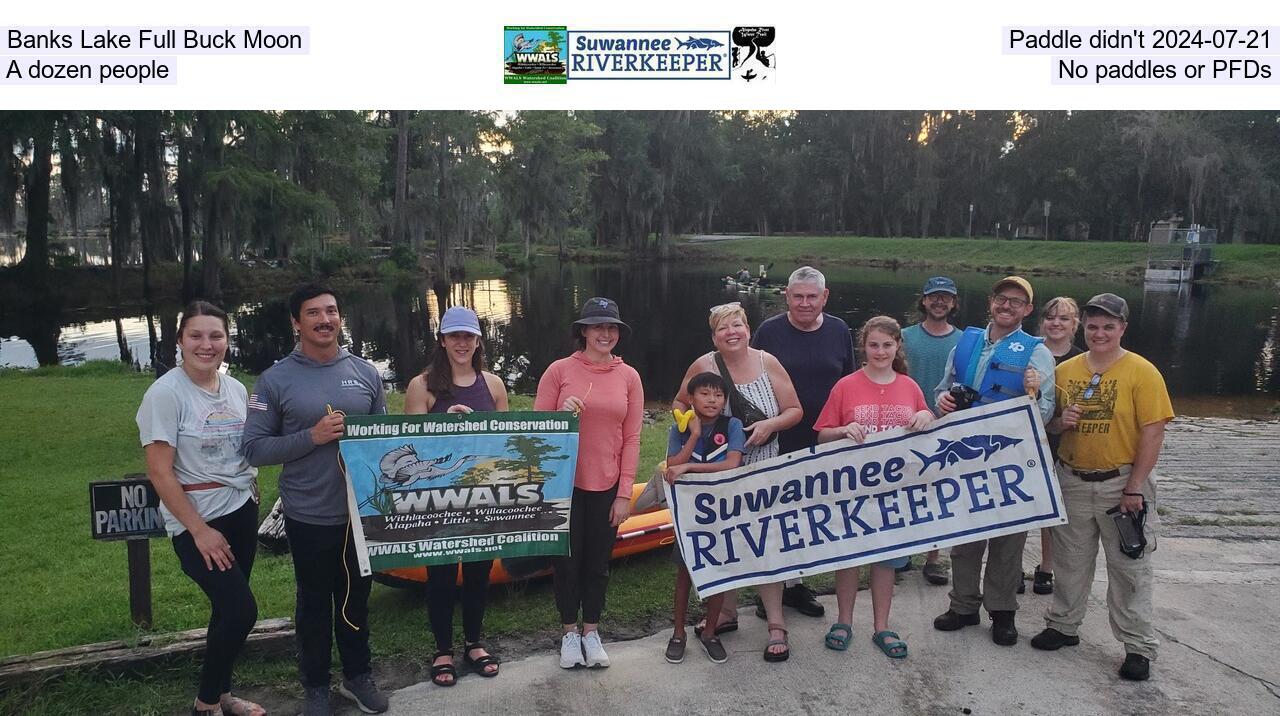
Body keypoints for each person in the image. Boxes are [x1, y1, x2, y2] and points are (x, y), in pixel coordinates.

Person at [241, 284, 389, 716]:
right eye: (313, 313)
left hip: (359, 512)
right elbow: (254, 448)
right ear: (296, 322)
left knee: (356, 597)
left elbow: (381, 438)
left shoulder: (366, 373)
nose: (325, 320)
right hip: (308, 513)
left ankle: (357, 676)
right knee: (313, 601)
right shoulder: (274, 379)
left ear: (340, 317)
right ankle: (316, 685)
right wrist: (313, 436)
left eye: (332, 311)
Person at [1032, 293, 1173, 682]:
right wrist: (1063, 422)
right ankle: (1063, 624)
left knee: (1130, 567)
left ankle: (1137, 646)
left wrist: (1135, 487)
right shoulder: (1066, 371)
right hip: (1073, 477)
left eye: (1108, 326)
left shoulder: (1142, 372)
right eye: (1093, 326)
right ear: (1084, 328)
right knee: (1069, 562)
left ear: (1122, 328)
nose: (1099, 333)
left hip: (1121, 482)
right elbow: (1048, 422)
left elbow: (1153, 432)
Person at [137, 301, 264, 716]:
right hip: (198, 518)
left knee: (226, 610)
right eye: (196, 335)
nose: (206, 345)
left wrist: (252, 486)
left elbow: (239, 448)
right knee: (242, 609)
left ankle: (224, 695)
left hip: (240, 509)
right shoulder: (165, 394)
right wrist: (199, 530)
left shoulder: (234, 389)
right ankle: (205, 704)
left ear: (227, 341)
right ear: (180, 340)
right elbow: (160, 472)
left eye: (216, 336)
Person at [672, 302, 803, 662]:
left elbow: (794, 409)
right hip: (719, 471)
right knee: (723, 540)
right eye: (723, 328)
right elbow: (678, 405)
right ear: (714, 336)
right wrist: (695, 429)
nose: (732, 333)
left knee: (767, 543)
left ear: (748, 329)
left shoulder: (767, 362)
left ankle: (776, 624)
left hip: (763, 465)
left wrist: (770, 425)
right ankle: (725, 612)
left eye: (738, 325)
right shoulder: (704, 366)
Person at [931, 276, 1055, 647]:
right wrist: (942, 402)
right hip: (967, 454)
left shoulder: (1038, 353)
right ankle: (963, 605)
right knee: (966, 535)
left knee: (1008, 538)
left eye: (1017, 302)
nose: (1007, 306)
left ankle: (1003, 611)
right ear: (991, 302)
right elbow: (941, 389)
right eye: (1002, 299)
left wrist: (1033, 398)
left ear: (1027, 310)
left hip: (1010, 460)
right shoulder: (964, 343)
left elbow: (1045, 411)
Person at [813, 316, 934, 660]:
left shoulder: (909, 386)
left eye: (887, 345)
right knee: (849, 556)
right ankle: (844, 620)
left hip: (895, 493)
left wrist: (927, 417)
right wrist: (842, 430)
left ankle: (882, 625)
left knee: (886, 560)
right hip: (851, 489)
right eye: (873, 344)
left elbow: (928, 423)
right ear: (863, 347)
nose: (880, 351)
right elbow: (823, 433)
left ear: (898, 347)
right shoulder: (846, 386)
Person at [534, 297, 643, 670]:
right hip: (564, 485)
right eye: (597, 326)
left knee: (597, 564)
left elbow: (632, 438)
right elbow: (536, 431)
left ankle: (592, 631)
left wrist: (625, 492)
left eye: (611, 327)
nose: (605, 333)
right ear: (583, 330)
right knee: (566, 562)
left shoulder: (629, 376)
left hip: (607, 485)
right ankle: (568, 633)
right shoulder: (559, 371)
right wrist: (560, 418)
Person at [404, 306, 509, 687]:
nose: (462, 343)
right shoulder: (423, 385)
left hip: (482, 496)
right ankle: (443, 649)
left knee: (480, 572)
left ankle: (474, 642)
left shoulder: (493, 384)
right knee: (442, 575)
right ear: (443, 340)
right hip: (438, 498)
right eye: (454, 336)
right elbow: (412, 447)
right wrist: (444, 425)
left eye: (469, 336)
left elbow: (504, 444)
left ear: (478, 340)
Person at [750, 265, 855, 618]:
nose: (805, 303)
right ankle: (771, 589)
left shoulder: (839, 330)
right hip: (777, 437)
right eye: (798, 296)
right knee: (774, 513)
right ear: (787, 297)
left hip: (824, 437)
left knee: (809, 514)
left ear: (825, 297)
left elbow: (848, 384)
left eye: (812, 296)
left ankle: (796, 585)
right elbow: (749, 379)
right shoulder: (769, 331)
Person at [661, 372, 745, 666]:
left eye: (718, 395)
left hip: (723, 510)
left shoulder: (732, 426)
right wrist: (694, 434)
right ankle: (679, 632)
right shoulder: (680, 429)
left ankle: (710, 632)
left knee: (719, 571)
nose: (712, 400)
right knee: (685, 574)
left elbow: (732, 464)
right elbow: (672, 466)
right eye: (705, 394)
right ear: (691, 399)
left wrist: (691, 469)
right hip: (690, 515)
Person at [900, 275, 964, 587]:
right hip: (906, 422)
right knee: (903, 487)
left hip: (946, 425)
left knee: (939, 493)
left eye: (946, 297)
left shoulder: (966, 341)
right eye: (933, 296)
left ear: (953, 303)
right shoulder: (904, 336)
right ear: (924, 300)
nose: (939, 302)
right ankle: (900, 550)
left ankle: (934, 557)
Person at [1030, 296, 1085, 596]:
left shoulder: (1081, 359)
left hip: (1064, 442)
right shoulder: (1028, 352)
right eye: (1051, 317)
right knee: (1023, 503)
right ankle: (1010, 567)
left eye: (1064, 318)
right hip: (1028, 437)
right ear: (1042, 321)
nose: (1056, 323)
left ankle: (1046, 566)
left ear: (1074, 324)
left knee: (1054, 507)